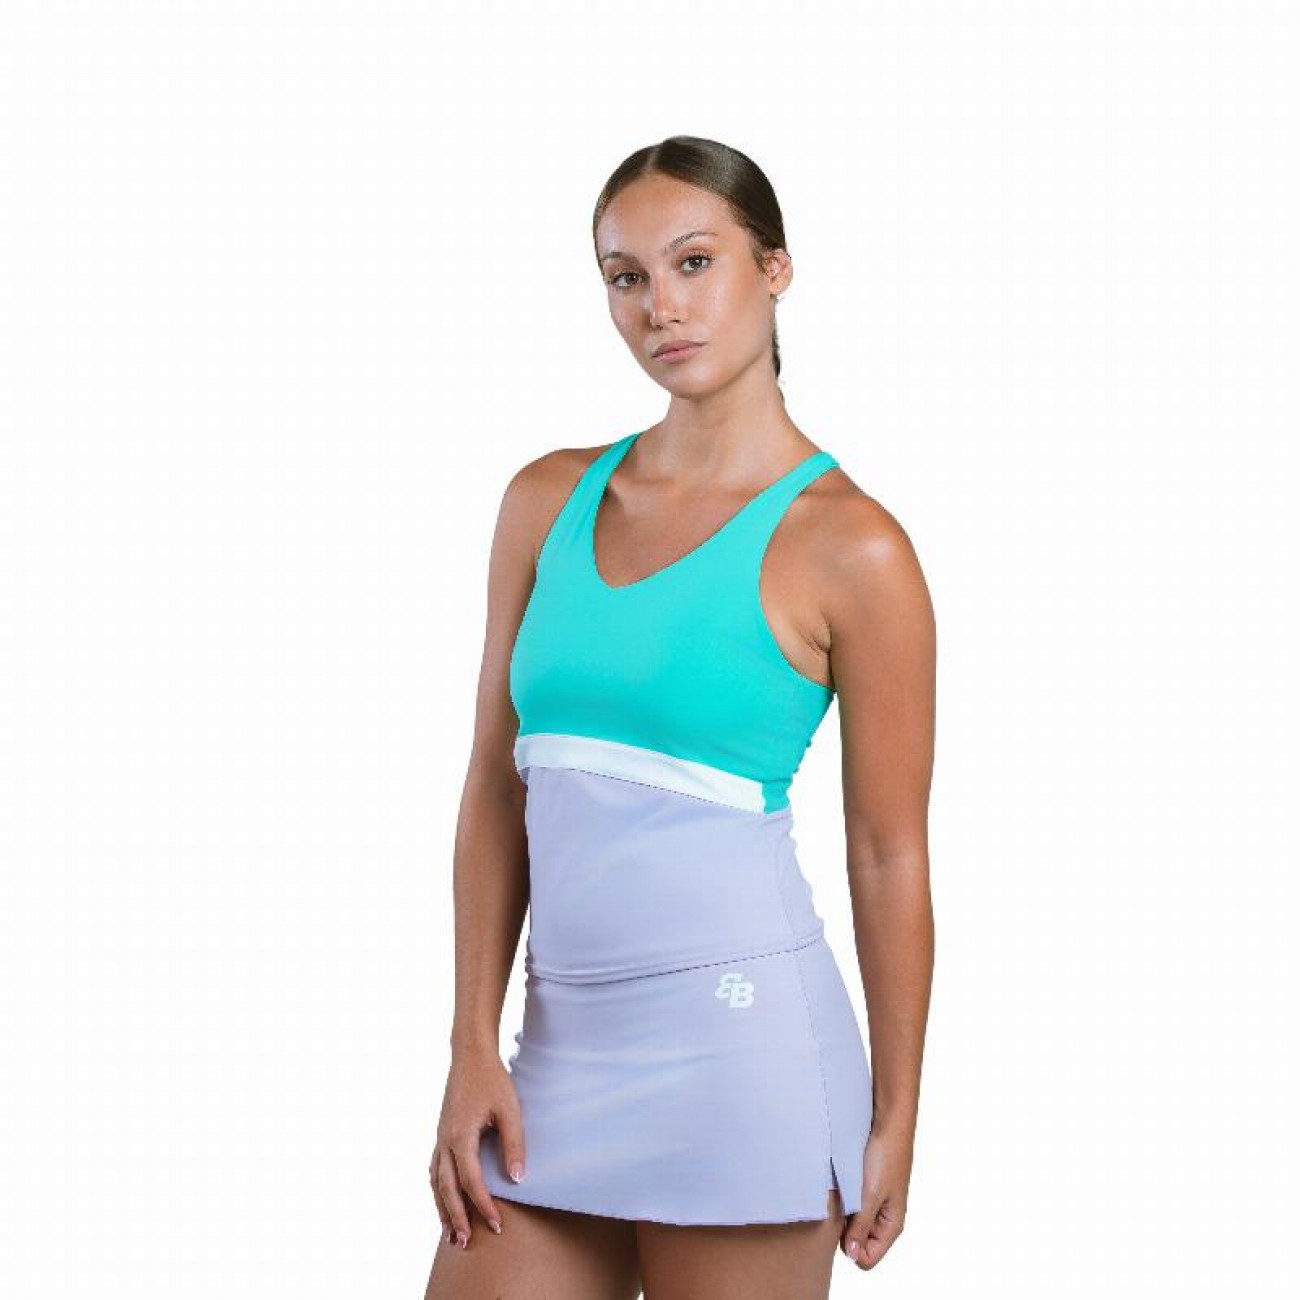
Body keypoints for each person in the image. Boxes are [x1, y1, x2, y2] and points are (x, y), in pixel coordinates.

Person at [423, 135, 936, 1300]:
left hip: (745, 1063)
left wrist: (898, 1116)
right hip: (552, 1064)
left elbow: (887, 849)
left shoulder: (852, 547)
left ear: (775, 269)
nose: (661, 305)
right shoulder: (546, 499)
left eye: (695, 261)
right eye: (627, 275)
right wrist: (468, 1044)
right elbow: (494, 785)